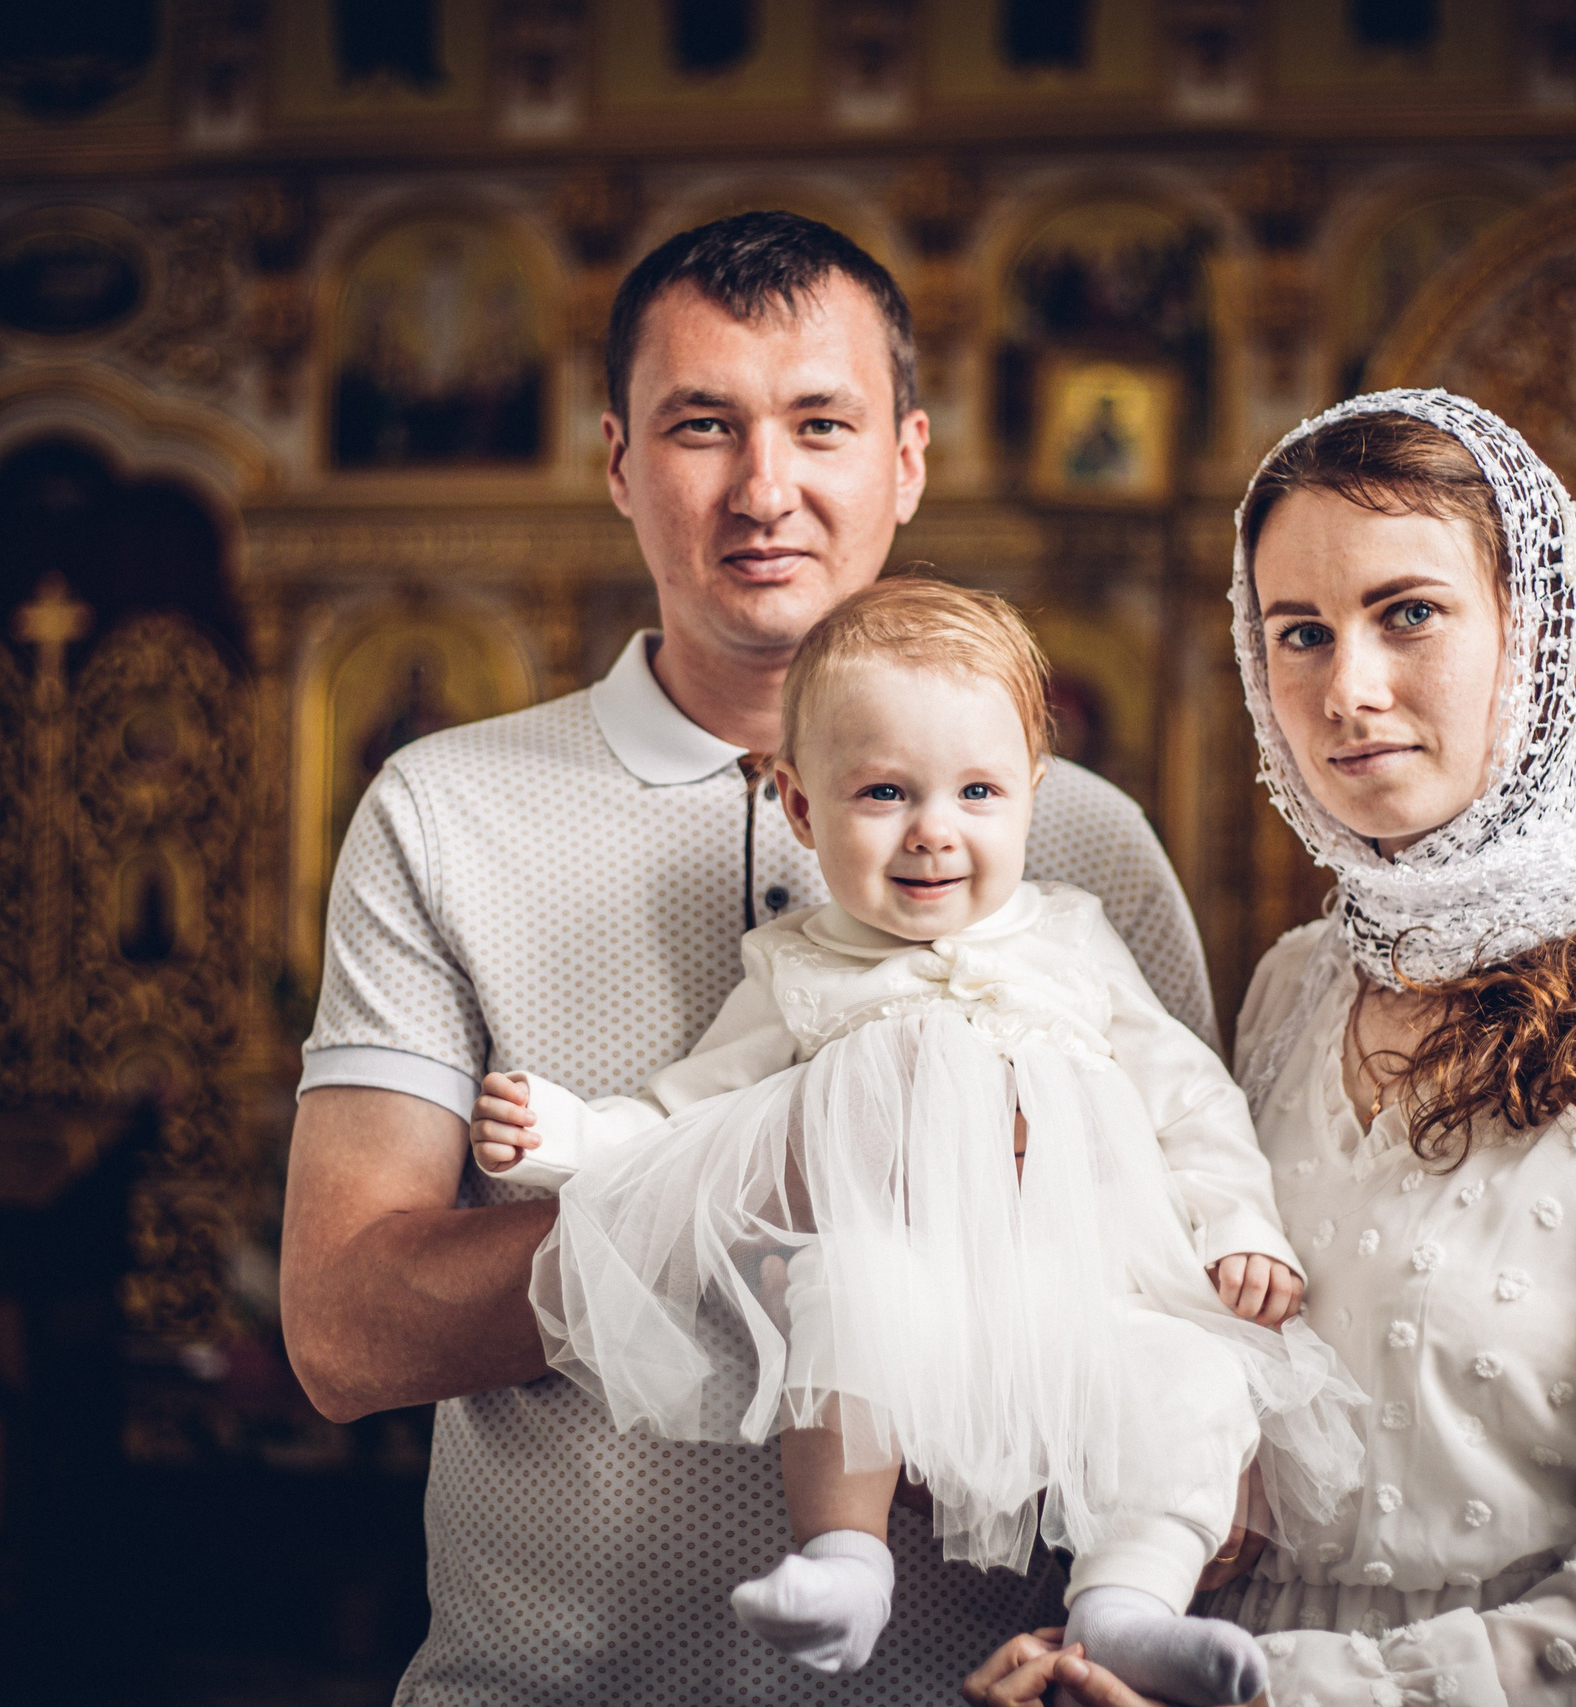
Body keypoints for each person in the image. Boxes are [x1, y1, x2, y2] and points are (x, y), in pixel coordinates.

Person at [280, 211, 1223, 1705]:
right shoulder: (444, 811)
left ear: (906, 458)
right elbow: (346, 1327)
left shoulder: (1084, 839)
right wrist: (758, 1180)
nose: (764, 488)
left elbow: (1198, 1291)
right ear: (618, 463)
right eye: (702, 425)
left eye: (822, 424)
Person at [968, 390, 1576, 1707]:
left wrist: (1263, 1690)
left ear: (1533, 633)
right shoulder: (1288, 986)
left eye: (1410, 612)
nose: (1349, 689)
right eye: (1301, 634)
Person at [469, 578, 1362, 1705]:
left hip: (1096, 1294)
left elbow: (1188, 1096)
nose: (934, 830)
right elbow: (694, 1106)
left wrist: (1239, 1225)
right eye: (884, 792)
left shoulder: (1073, 937)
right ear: (800, 807)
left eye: (977, 791)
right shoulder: (795, 965)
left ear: (1032, 792)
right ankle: (844, 1558)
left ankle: (1128, 1605)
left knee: (1190, 1382)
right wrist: (572, 1137)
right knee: (847, 1293)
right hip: (918, 1293)